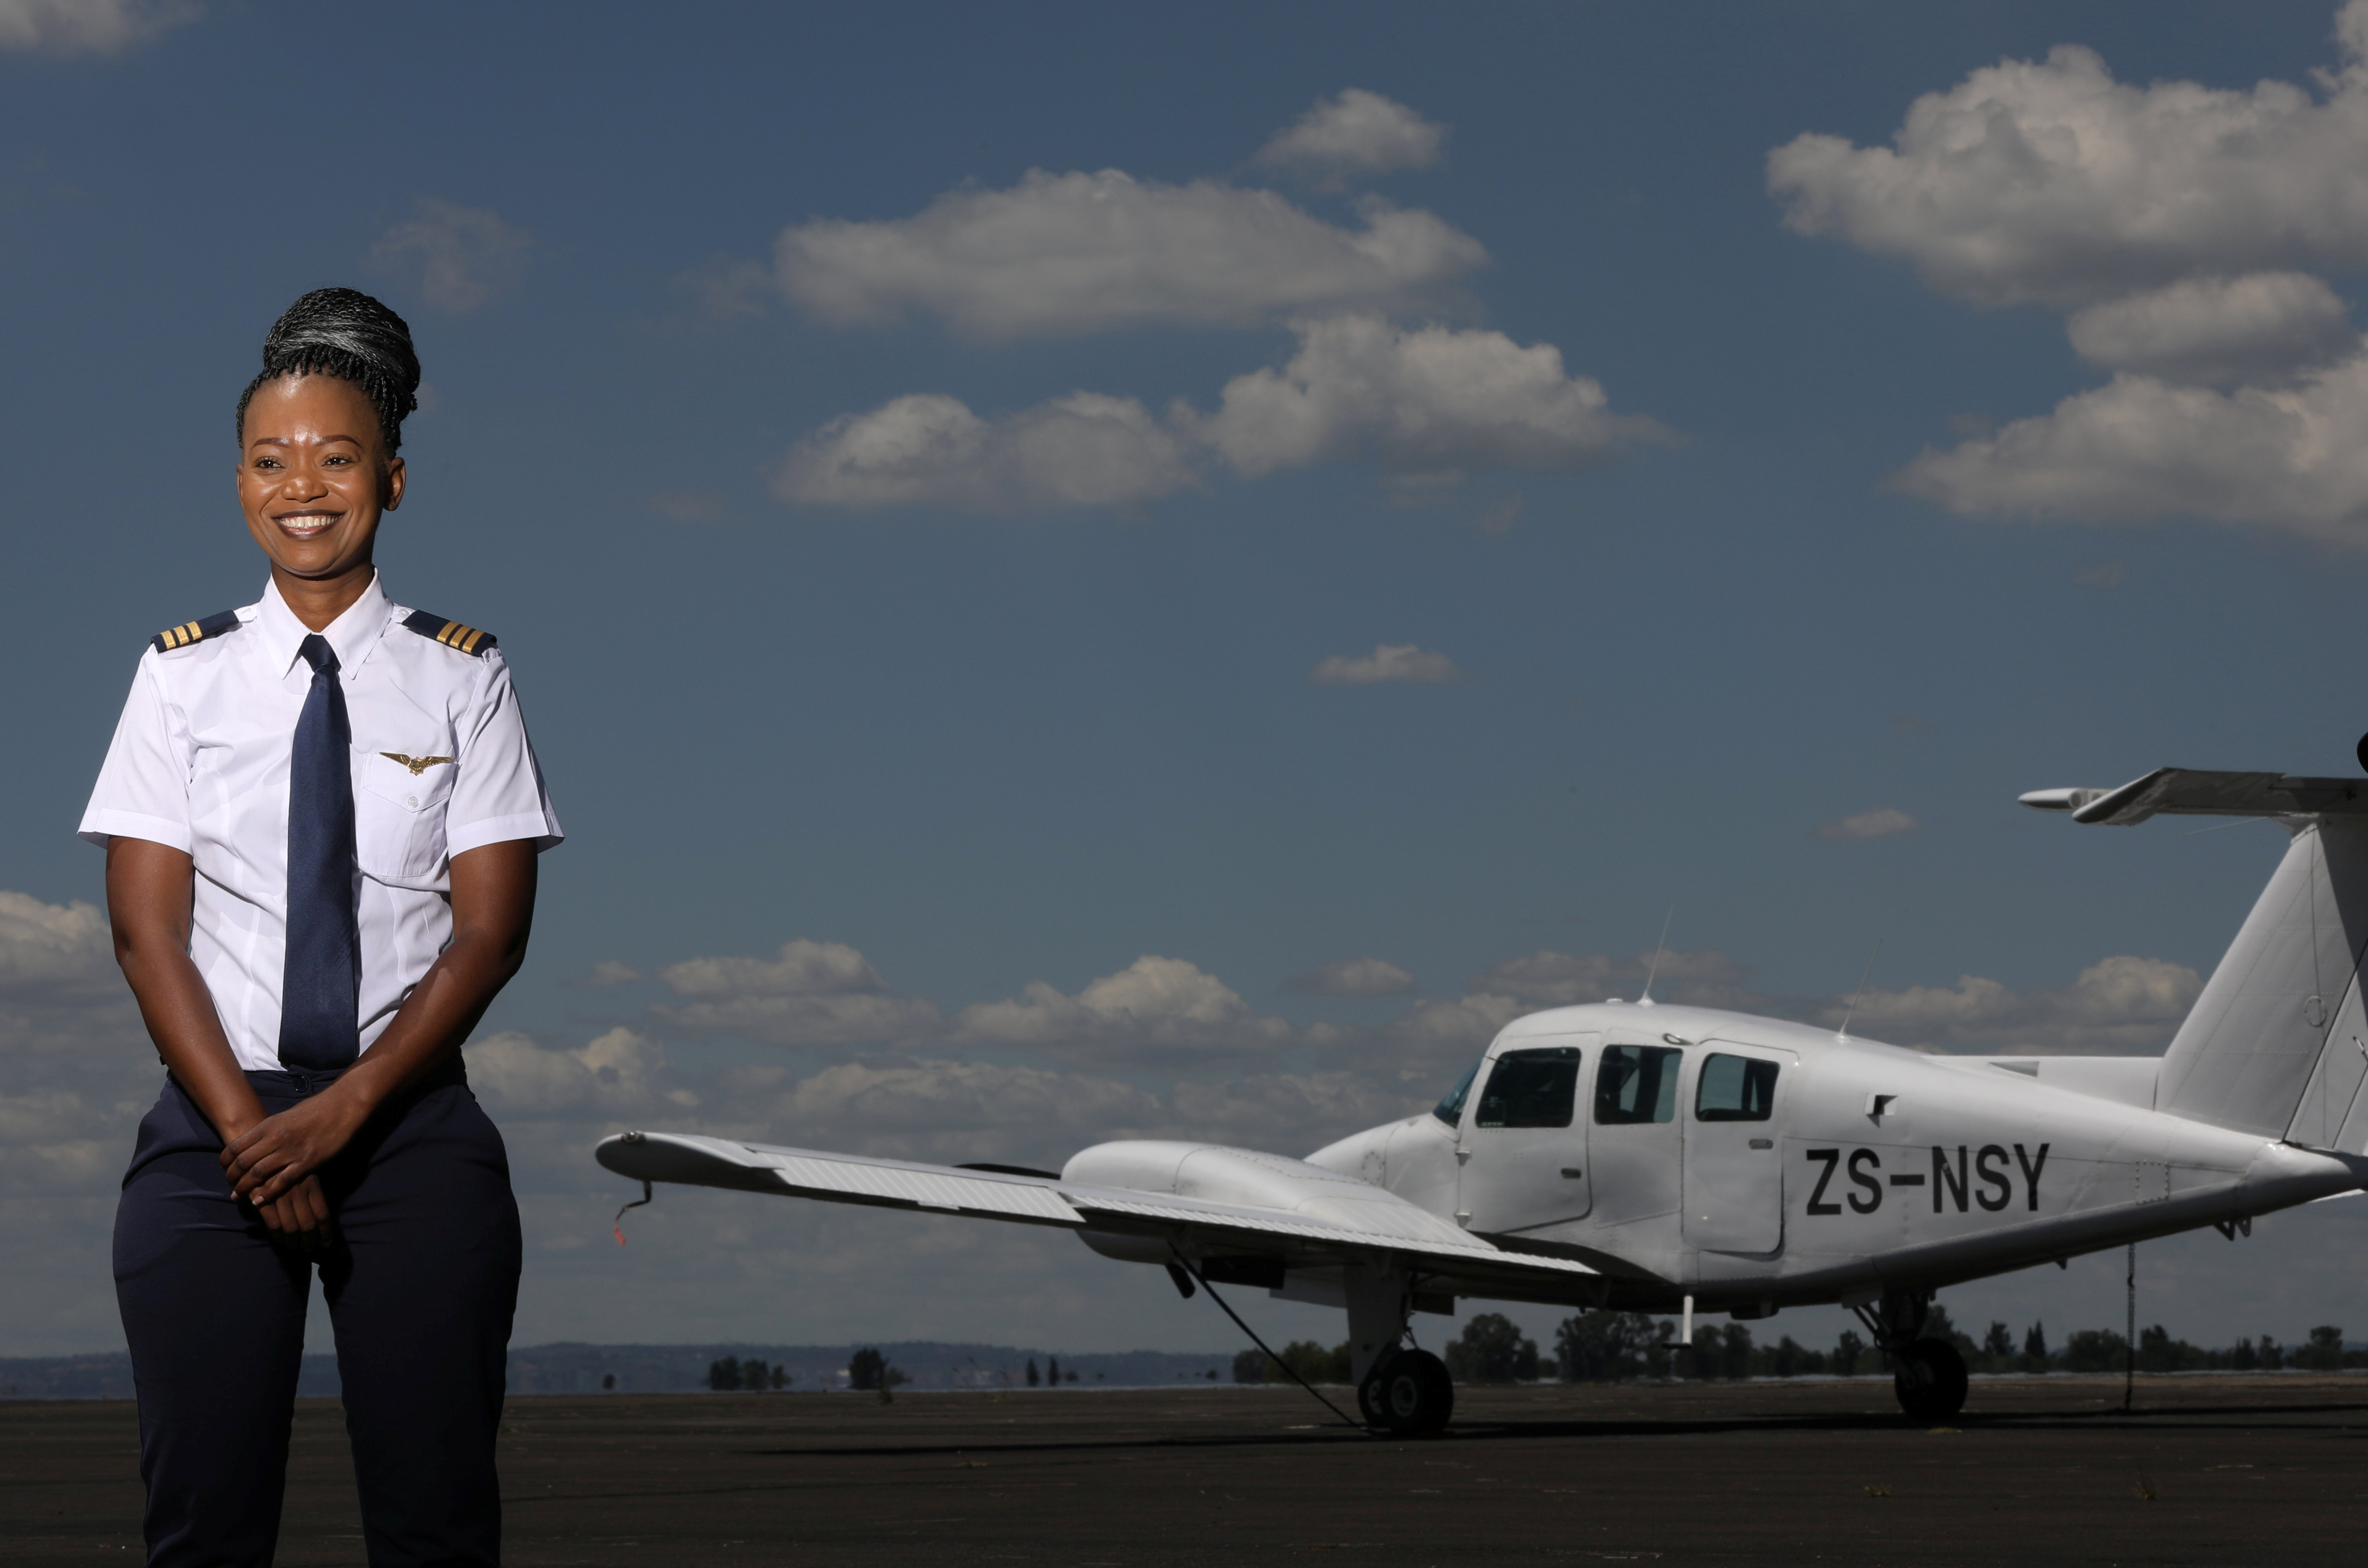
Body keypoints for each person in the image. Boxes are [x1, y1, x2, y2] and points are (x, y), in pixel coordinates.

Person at [79, 287, 561, 1567]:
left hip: (406, 1126)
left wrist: (340, 1121)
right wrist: (253, 1139)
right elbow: (146, 936)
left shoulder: (466, 675)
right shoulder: (178, 676)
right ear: (238, 480)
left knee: (436, 1519)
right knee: (202, 1526)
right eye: (271, 457)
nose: (304, 484)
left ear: (391, 482)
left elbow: (488, 937)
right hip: (212, 1131)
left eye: (338, 456)